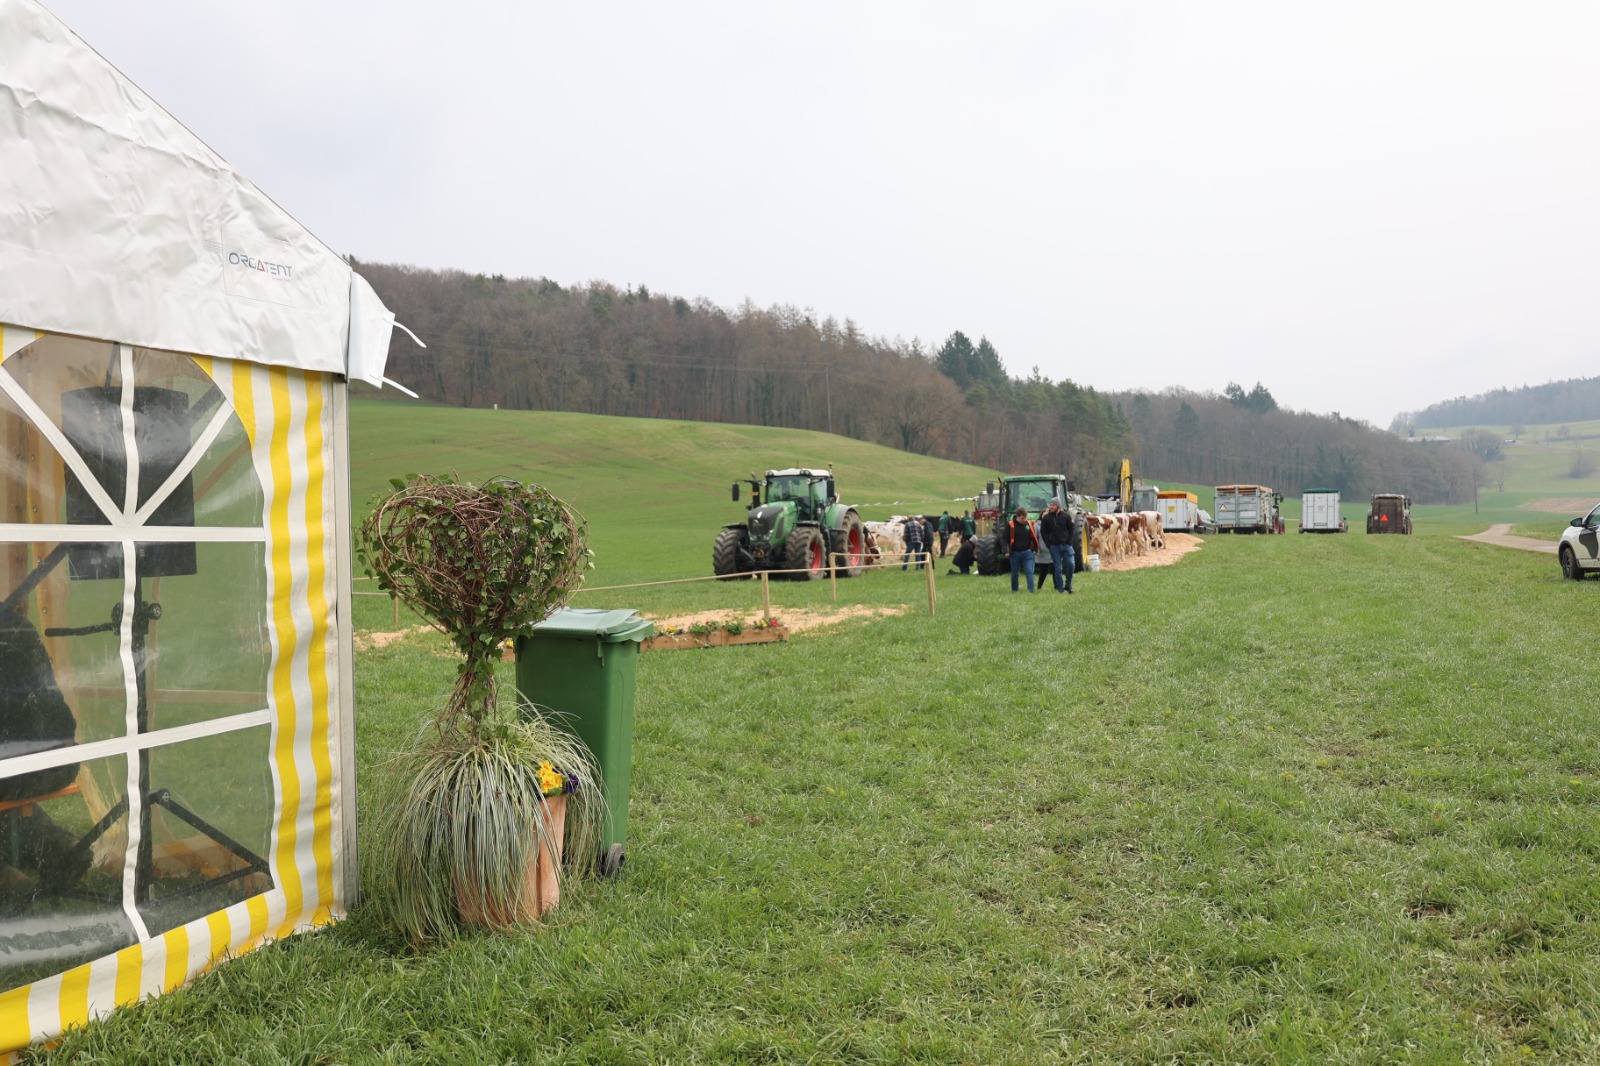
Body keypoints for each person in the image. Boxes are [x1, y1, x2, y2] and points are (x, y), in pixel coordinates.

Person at [1040, 499, 1076, 594]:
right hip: (1054, 547)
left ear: (1058, 506)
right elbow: (1043, 532)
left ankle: (1068, 585)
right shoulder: (1046, 518)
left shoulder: (1066, 516)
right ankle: (1060, 589)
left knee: (1071, 564)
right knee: (1058, 568)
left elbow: (1071, 528)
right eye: (1050, 505)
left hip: (1066, 546)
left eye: (1053, 505)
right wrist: (1049, 544)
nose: (1051, 507)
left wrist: (1069, 541)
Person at [1006, 506, 1038, 592]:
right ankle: (1015, 590)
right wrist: (1006, 550)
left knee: (1029, 572)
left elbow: (1034, 537)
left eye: (1025, 518)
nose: (1024, 520)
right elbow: (1005, 538)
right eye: (1022, 518)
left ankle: (1031, 591)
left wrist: (1033, 549)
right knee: (1015, 574)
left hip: (1027, 553)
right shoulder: (1010, 525)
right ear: (1017, 516)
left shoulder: (1028, 524)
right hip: (1015, 553)